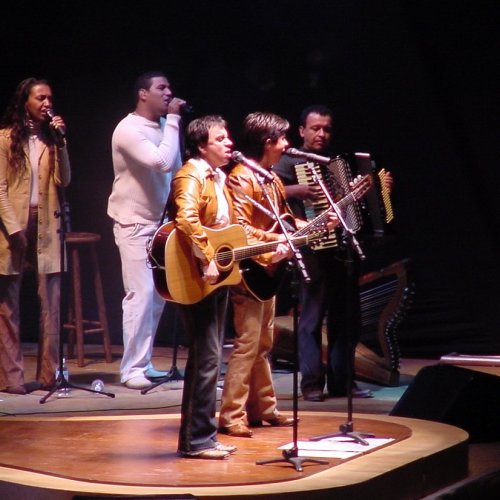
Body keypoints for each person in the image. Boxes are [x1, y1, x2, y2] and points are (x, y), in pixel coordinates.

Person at [218, 112, 335, 437]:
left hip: (268, 269)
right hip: (250, 269)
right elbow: (240, 229)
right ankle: (231, 414)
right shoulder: (241, 178)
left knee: (264, 342)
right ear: (267, 143)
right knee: (247, 343)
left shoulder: (269, 178)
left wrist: (316, 225)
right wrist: (277, 242)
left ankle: (264, 408)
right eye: (282, 139)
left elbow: (282, 219)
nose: (287, 145)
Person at [273, 104, 393, 401]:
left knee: (347, 319)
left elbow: (348, 205)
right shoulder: (288, 162)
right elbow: (265, 190)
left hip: (341, 247)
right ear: (301, 130)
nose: (322, 134)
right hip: (311, 248)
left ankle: (343, 382)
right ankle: (312, 384)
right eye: (315, 128)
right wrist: (296, 191)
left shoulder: (333, 163)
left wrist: (376, 188)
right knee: (311, 319)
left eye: (326, 129)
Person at [107, 71, 185, 389]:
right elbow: (160, 162)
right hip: (133, 221)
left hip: (159, 222)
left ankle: (145, 361)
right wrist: (176, 121)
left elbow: (176, 169)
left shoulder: (165, 126)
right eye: (161, 88)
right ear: (142, 94)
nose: (168, 93)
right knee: (140, 295)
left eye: (169, 87)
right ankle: (131, 370)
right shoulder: (128, 129)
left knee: (158, 297)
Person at [167, 115, 236, 459]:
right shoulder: (191, 173)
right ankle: (197, 441)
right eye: (219, 138)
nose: (228, 143)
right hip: (195, 271)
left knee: (210, 356)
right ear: (200, 145)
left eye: (228, 137)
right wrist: (207, 257)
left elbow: (226, 229)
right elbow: (186, 218)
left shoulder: (218, 177)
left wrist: (276, 242)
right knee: (206, 356)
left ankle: (201, 438)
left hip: (215, 274)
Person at [0, 77, 71, 394]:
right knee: (7, 307)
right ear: (24, 102)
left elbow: (65, 180)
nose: (47, 104)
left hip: (46, 222)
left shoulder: (50, 141)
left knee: (50, 305)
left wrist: (62, 143)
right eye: (40, 98)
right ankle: (11, 378)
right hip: (12, 223)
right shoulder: (4, 139)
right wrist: (13, 228)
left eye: (49, 98)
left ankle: (48, 375)